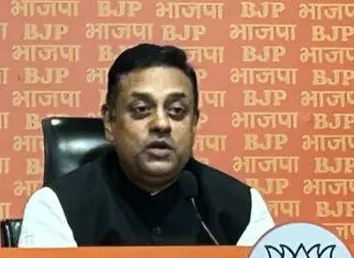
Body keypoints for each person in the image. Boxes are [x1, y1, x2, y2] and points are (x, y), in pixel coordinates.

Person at [19, 44, 274, 247]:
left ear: (194, 122)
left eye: (177, 111)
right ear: (109, 121)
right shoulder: (57, 209)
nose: (162, 124)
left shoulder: (242, 209)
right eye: (141, 109)